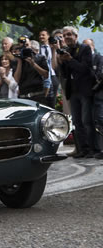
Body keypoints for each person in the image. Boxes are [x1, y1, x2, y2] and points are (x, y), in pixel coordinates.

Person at [59, 26, 98, 158]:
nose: (67, 37)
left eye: (69, 34)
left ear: (76, 36)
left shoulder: (84, 48)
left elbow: (85, 69)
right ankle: (83, 149)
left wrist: (70, 60)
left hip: (85, 90)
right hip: (73, 91)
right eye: (64, 35)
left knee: (87, 121)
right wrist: (62, 62)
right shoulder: (65, 51)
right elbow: (64, 74)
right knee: (77, 122)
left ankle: (93, 149)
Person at [83, 38, 103, 159]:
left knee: (101, 120)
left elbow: (100, 76)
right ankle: (95, 148)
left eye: (88, 47)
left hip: (99, 94)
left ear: (93, 46)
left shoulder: (99, 58)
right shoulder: (82, 60)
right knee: (91, 122)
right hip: (88, 95)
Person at [14, 39, 49, 105]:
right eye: (22, 46)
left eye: (27, 45)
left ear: (31, 45)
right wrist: (19, 61)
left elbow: (46, 75)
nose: (25, 47)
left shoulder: (40, 58)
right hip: (23, 96)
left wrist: (33, 64)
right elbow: (16, 79)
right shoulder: (16, 61)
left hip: (38, 95)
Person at [39, 29, 60, 109]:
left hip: (53, 75)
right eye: (40, 35)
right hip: (42, 76)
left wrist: (54, 49)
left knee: (52, 100)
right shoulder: (38, 49)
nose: (41, 37)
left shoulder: (52, 48)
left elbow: (54, 65)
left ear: (48, 36)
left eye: (43, 35)